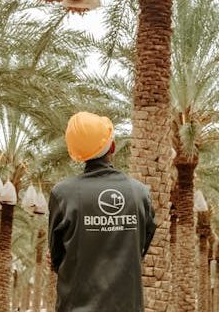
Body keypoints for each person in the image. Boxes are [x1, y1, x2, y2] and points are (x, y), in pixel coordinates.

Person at [49, 112, 157, 312]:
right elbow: (141, 246)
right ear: (113, 147)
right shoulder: (139, 192)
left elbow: (56, 256)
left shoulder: (63, 194)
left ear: (74, 153)